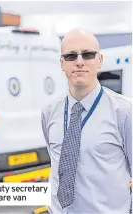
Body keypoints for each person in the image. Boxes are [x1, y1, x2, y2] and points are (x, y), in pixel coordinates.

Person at [41, 29, 132, 213]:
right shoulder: (50, 112)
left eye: (88, 54)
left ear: (100, 60)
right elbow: (56, 162)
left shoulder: (124, 112)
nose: (79, 62)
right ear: (62, 63)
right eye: (71, 56)